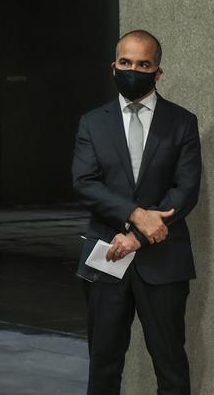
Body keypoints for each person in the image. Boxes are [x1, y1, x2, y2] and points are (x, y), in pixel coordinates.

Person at [72, 29, 201, 395]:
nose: (134, 70)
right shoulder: (92, 122)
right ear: (113, 66)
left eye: (143, 64)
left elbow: (186, 191)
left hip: (163, 259)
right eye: (126, 62)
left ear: (158, 72)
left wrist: (138, 235)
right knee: (104, 364)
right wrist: (136, 213)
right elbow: (84, 183)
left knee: (171, 366)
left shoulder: (182, 123)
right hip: (105, 255)